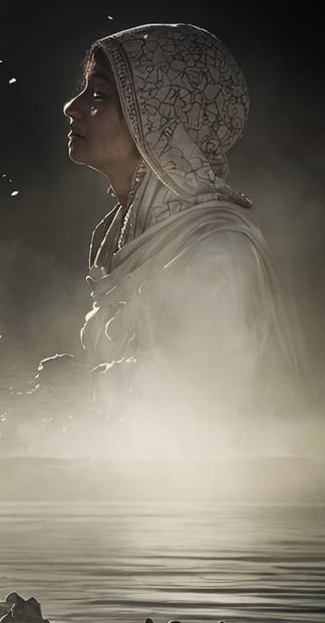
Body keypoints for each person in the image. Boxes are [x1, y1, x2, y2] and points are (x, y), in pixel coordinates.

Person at [48, 22, 301, 436]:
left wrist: (83, 389)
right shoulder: (124, 237)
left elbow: (202, 408)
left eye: (98, 95)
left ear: (158, 120)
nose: (71, 107)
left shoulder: (217, 253)